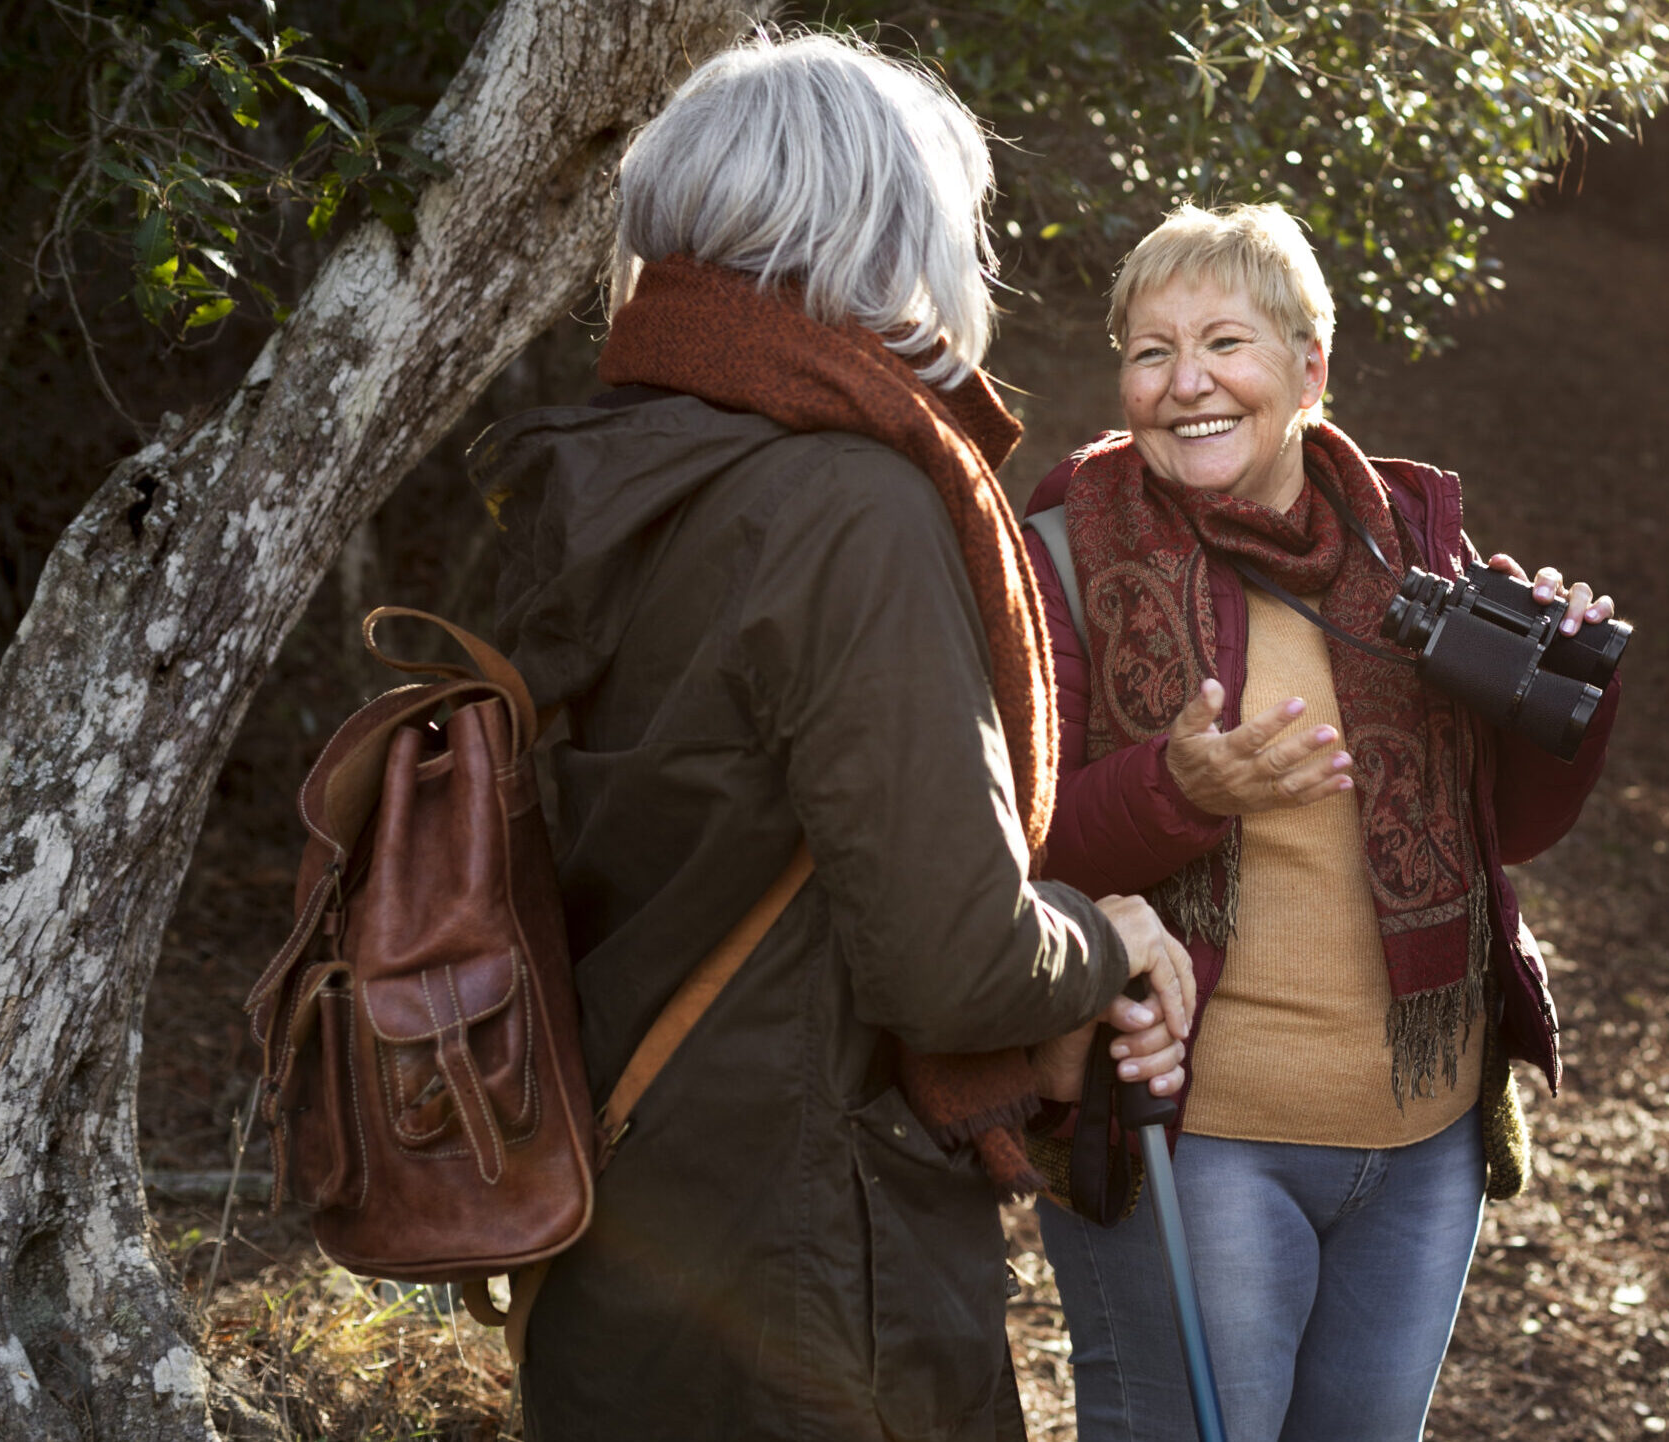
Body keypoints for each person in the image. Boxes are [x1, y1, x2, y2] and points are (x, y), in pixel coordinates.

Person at [475, 33, 1192, 1442]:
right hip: (816, 1280)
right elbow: (957, 964)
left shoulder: (598, 472)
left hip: (612, 1236)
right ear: (882, 233)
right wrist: (1116, 936)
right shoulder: (849, 506)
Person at [1021, 203, 1621, 1442]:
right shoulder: (1060, 560)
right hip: (1197, 1137)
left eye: (1225, 342)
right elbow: (1010, 849)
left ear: (1310, 370)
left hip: (1422, 1145)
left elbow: (1501, 827)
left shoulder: (1412, 558)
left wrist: (1569, 695)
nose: (1185, 382)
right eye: (1148, 349)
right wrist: (1184, 788)